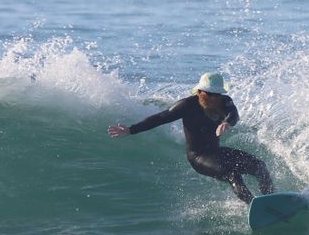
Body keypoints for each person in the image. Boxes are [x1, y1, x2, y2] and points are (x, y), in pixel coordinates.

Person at [107, 72, 274, 204]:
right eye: (211, 94)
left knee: (260, 166)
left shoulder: (224, 101)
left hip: (217, 152)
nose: (215, 98)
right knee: (232, 174)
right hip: (199, 157)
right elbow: (160, 118)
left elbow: (234, 114)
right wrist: (131, 130)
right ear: (200, 92)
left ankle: (271, 201)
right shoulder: (187, 105)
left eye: (218, 94)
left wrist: (228, 123)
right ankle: (253, 205)